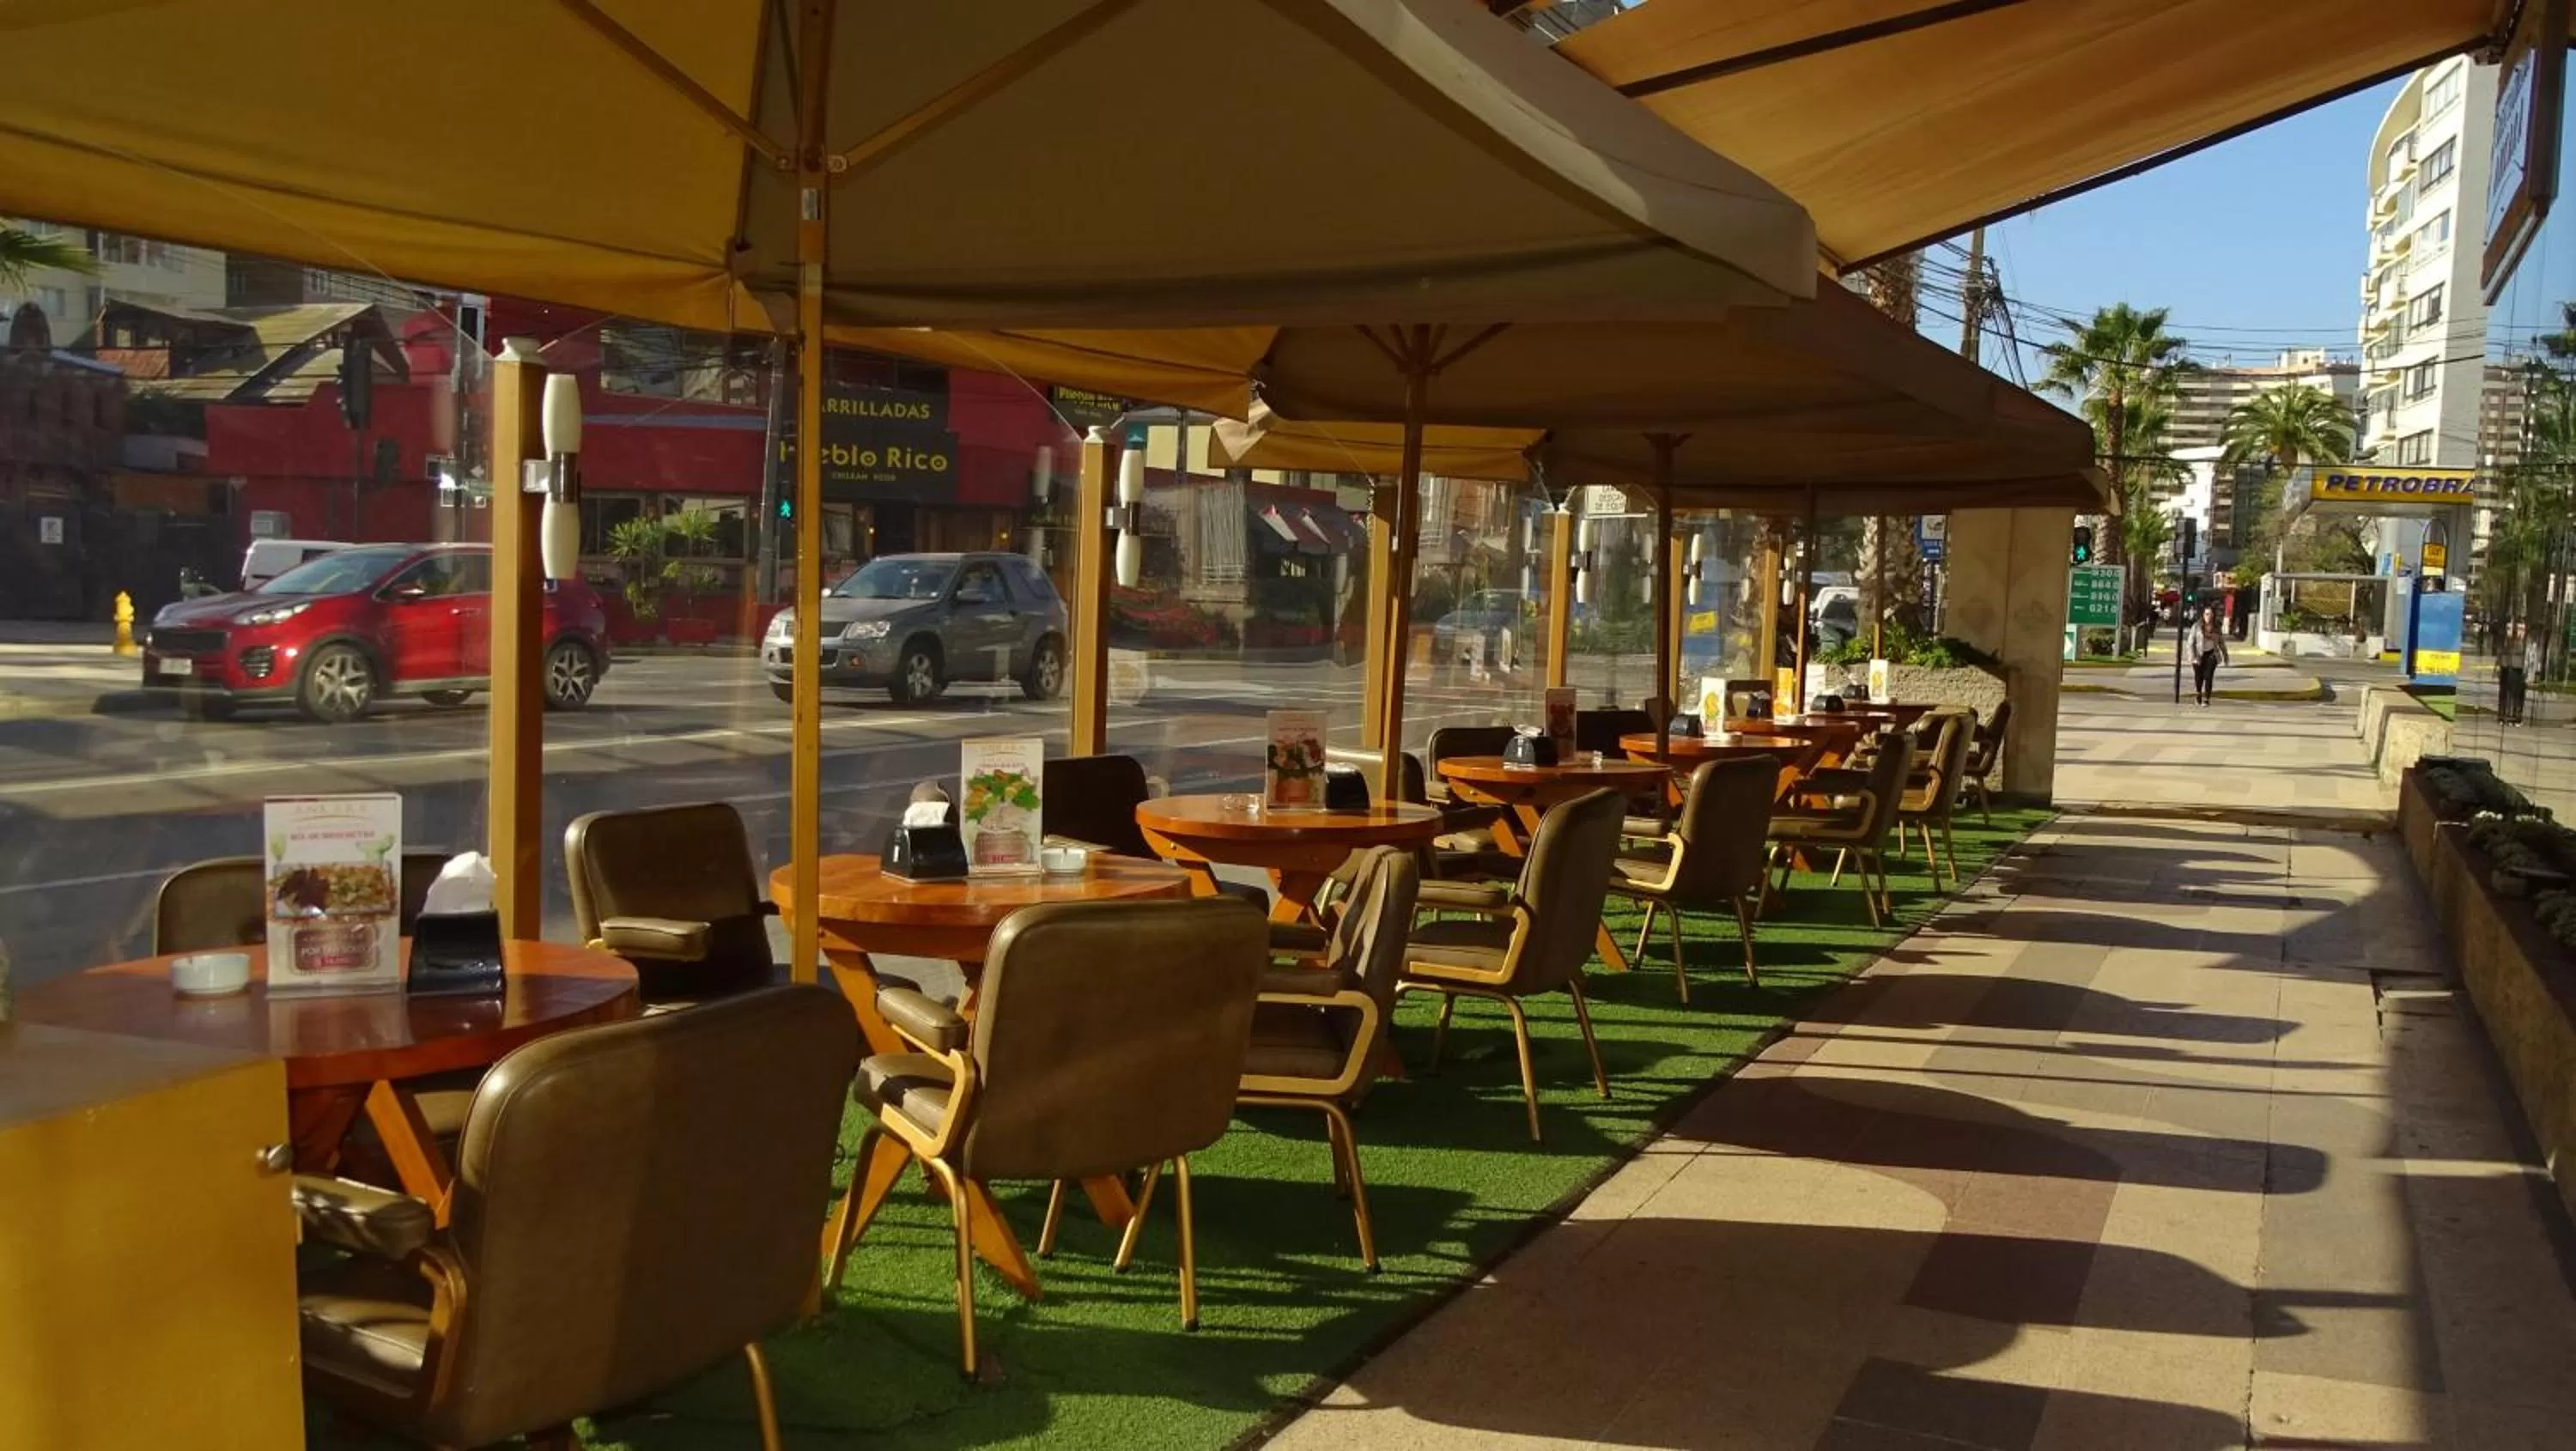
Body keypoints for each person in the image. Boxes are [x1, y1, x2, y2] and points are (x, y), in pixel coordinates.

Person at [2185, 604, 2227, 707]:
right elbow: (2190, 643)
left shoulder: (2217, 628)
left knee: (2208, 676)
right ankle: (2198, 694)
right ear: (2203, 615)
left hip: (2211, 654)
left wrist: (2225, 655)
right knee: (2198, 677)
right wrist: (2193, 657)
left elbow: (2221, 642)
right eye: (2207, 614)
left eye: (2211, 614)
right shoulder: (2197, 626)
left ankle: (2207, 698)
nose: (2209, 616)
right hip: (2198, 654)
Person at [2500, 622, 2529, 726]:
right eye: (2508, 629)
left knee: (2518, 695)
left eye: (2522, 629)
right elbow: (2501, 656)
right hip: (2508, 669)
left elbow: (2529, 658)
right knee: (2506, 694)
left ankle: (2516, 717)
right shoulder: (2507, 642)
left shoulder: (2524, 643)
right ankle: (2504, 716)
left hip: (2519, 670)